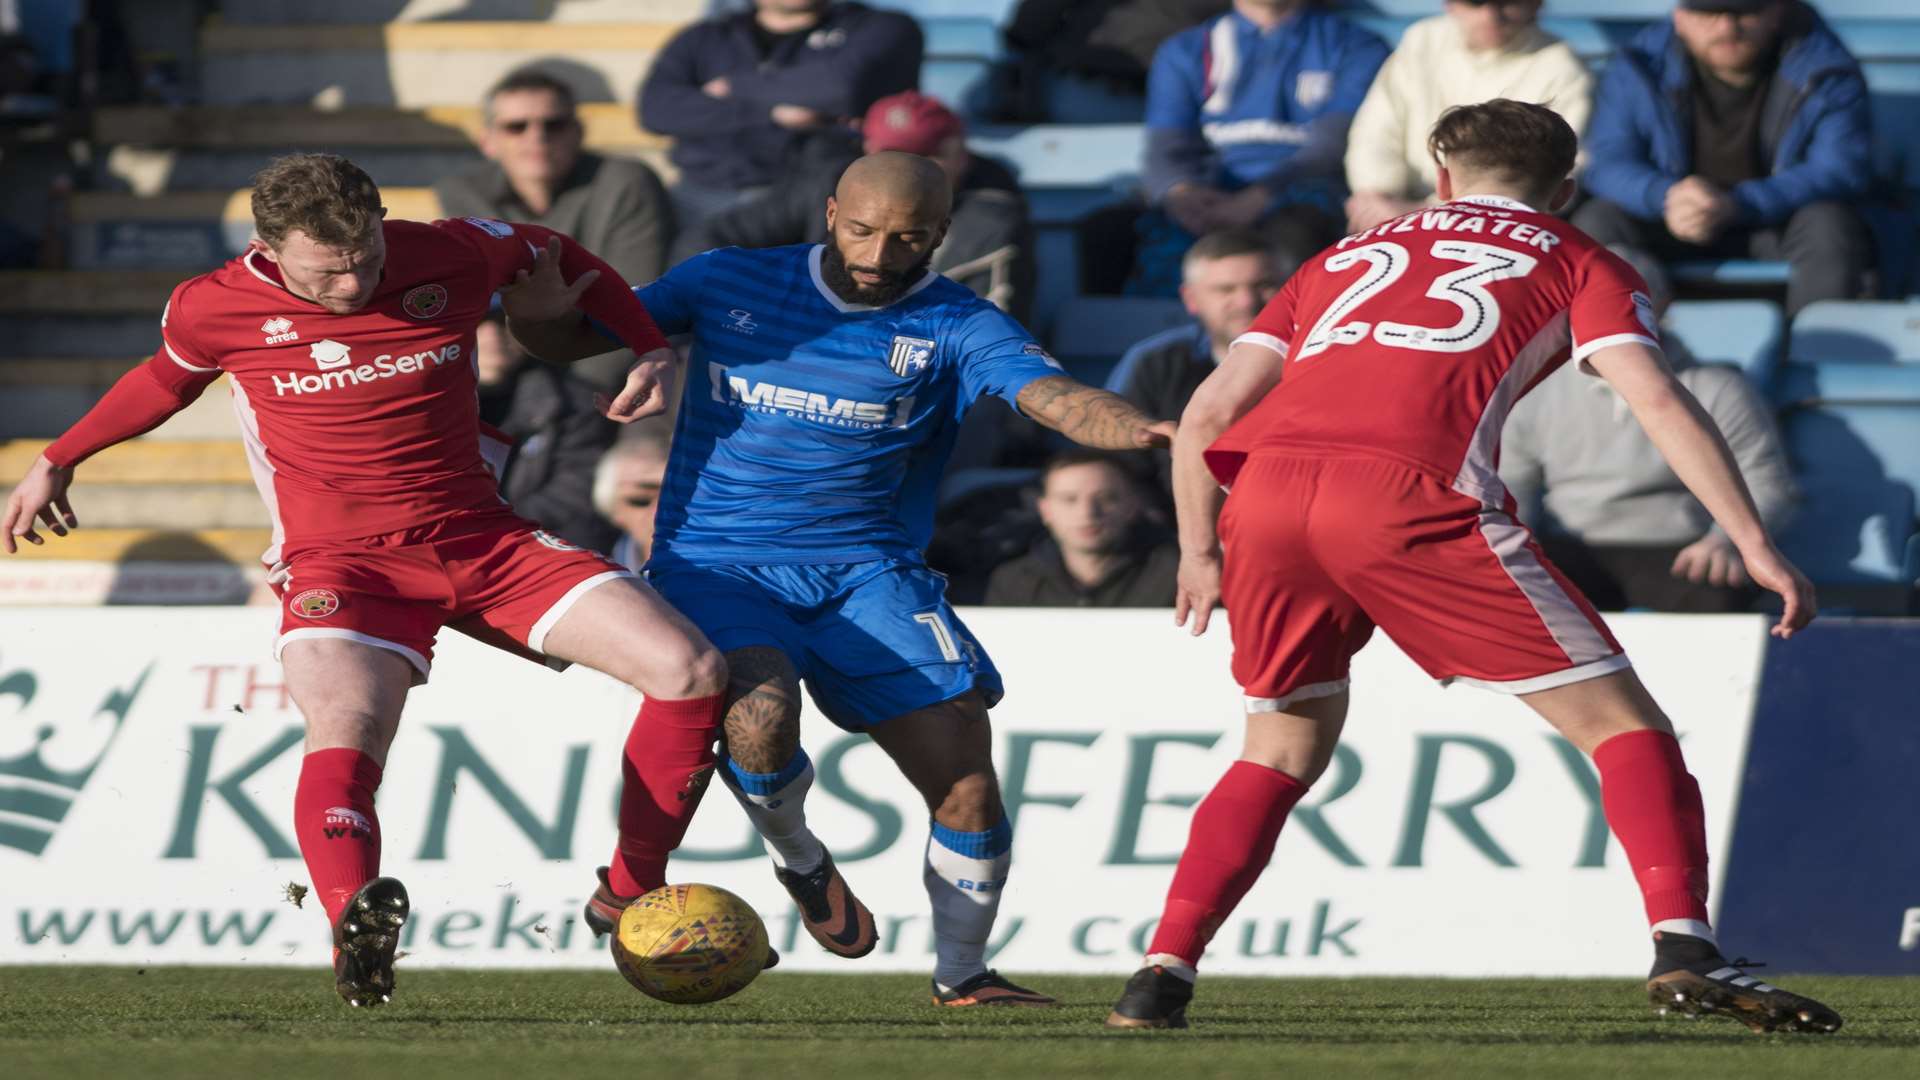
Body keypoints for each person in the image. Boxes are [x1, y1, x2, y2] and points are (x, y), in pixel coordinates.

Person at [1105, 100, 1840, 1035]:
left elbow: (1207, 416)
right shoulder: (1582, 260)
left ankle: (1161, 974)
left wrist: (1201, 549)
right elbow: (1654, 397)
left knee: (1281, 746)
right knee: (1627, 728)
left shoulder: (1339, 257)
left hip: (1265, 495)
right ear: (1566, 191)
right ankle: (1684, 947)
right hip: (1408, 497)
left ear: (1442, 176)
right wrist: (1753, 539)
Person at [1, 153, 731, 1011]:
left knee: (691, 671)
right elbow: (162, 382)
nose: (352, 282)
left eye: (366, 259)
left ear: (384, 223)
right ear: (267, 248)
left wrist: (646, 346)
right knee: (346, 725)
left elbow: (554, 255)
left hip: (483, 539)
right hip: (342, 566)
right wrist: (58, 460)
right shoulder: (214, 305)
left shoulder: (453, 251)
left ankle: (628, 888)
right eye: (327, 268)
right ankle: (355, 925)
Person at [509, 151, 1176, 1007]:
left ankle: (964, 977)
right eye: (862, 230)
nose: (877, 254)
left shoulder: (956, 320)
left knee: (967, 783)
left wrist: (1141, 429)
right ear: (829, 211)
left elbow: (1050, 394)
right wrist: (535, 315)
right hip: (719, 561)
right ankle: (800, 857)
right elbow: (582, 338)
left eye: (907, 238)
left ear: (940, 235)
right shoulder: (725, 279)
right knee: (759, 714)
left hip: (872, 571)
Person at [1501, 250, 1798, 612]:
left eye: (1624, 299)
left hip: (1680, 549)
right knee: (1508, 596)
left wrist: (1726, 542)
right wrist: (1512, 549)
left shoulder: (1719, 388)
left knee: (1718, 590)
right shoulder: (1539, 389)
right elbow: (1512, 486)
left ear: (1659, 305)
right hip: (1571, 544)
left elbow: (1768, 484)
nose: (1607, 313)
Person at [1572, 0, 1873, 316]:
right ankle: (1620, 354)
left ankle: (1817, 354)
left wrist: (1737, 203)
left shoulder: (1826, 68)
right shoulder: (1638, 66)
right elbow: (1607, 163)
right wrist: (1665, 196)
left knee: (1831, 226)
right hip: (1671, 220)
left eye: (1745, 12)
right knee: (1598, 220)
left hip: (1775, 222)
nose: (1727, 28)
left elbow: (1840, 169)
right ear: (1680, 18)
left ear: (1777, 12)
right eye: (1709, 13)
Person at [702, 90, 1036, 322]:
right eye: (889, 154)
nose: (907, 169)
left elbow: (988, 334)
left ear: (959, 150)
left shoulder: (994, 214)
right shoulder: (828, 180)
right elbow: (715, 236)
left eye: (925, 154)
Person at [436, 68, 675, 392]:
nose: (537, 137)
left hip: (610, 363)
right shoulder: (462, 191)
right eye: (516, 127)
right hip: (515, 356)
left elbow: (634, 294)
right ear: (488, 141)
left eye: (554, 124)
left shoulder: (626, 182)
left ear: (578, 131)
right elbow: (478, 293)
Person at [1135, 0, 1389, 291]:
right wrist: (1181, 193)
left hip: (1307, 191)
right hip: (1212, 194)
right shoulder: (1185, 49)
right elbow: (1167, 147)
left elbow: (1330, 147)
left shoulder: (1357, 45)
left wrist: (1258, 198)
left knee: (1294, 236)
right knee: (1154, 243)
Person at [638, 0, 923, 251]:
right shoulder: (705, 37)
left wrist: (732, 86)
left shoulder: (881, 27)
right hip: (702, 191)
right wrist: (772, 113)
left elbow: (841, 88)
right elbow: (656, 110)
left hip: (810, 201)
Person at [1344, 0, 1592, 233]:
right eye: (1475, 1)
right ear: (1449, 4)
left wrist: (1427, 212)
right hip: (1390, 208)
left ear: (1536, 4)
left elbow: (1558, 174)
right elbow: (1376, 130)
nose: (1490, 16)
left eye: (1507, 2)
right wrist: (1375, 193)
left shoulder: (1563, 68)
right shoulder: (1422, 40)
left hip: (1503, 223)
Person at [1106, 229, 1282, 495]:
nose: (1247, 302)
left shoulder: (1322, 361)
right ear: (1191, 299)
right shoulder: (1153, 363)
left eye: (1263, 285)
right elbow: (1117, 463)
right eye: (1226, 289)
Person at [473, 309, 619, 552]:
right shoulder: (424, 401)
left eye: (503, 322)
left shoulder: (576, 403)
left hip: (540, 543)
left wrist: (492, 525)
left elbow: (574, 489)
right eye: (477, 322)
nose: (492, 335)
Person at [983, 450, 1177, 607]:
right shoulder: (1011, 582)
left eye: (1106, 498)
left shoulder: (1181, 576)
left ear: (1133, 506)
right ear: (1045, 510)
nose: (1087, 513)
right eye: (1069, 499)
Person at [595, 428, 671, 571]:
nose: (658, 512)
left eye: (673, 498)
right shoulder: (596, 579)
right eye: (640, 501)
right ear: (614, 512)